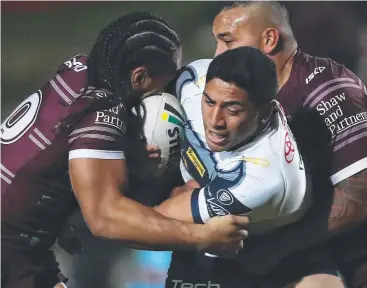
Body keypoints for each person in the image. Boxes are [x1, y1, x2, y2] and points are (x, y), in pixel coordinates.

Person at [0, 12, 248, 288]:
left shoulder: (79, 68)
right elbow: (106, 217)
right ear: (139, 76)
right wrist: (203, 237)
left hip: (22, 242)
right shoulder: (102, 112)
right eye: (164, 82)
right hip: (10, 250)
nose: (165, 92)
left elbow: (47, 146)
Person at [167, 2, 367, 288]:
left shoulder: (328, 90)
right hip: (287, 257)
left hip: (349, 260)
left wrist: (276, 246)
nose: (217, 55)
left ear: (269, 40)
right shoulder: (232, 96)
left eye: (228, 41)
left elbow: (360, 199)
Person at [155, 46, 312, 287]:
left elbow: (156, 222)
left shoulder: (261, 179)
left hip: (261, 256)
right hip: (207, 203)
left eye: (232, 110)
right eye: (209, 102)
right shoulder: (193, 79)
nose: (215, 121)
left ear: (266, 112)